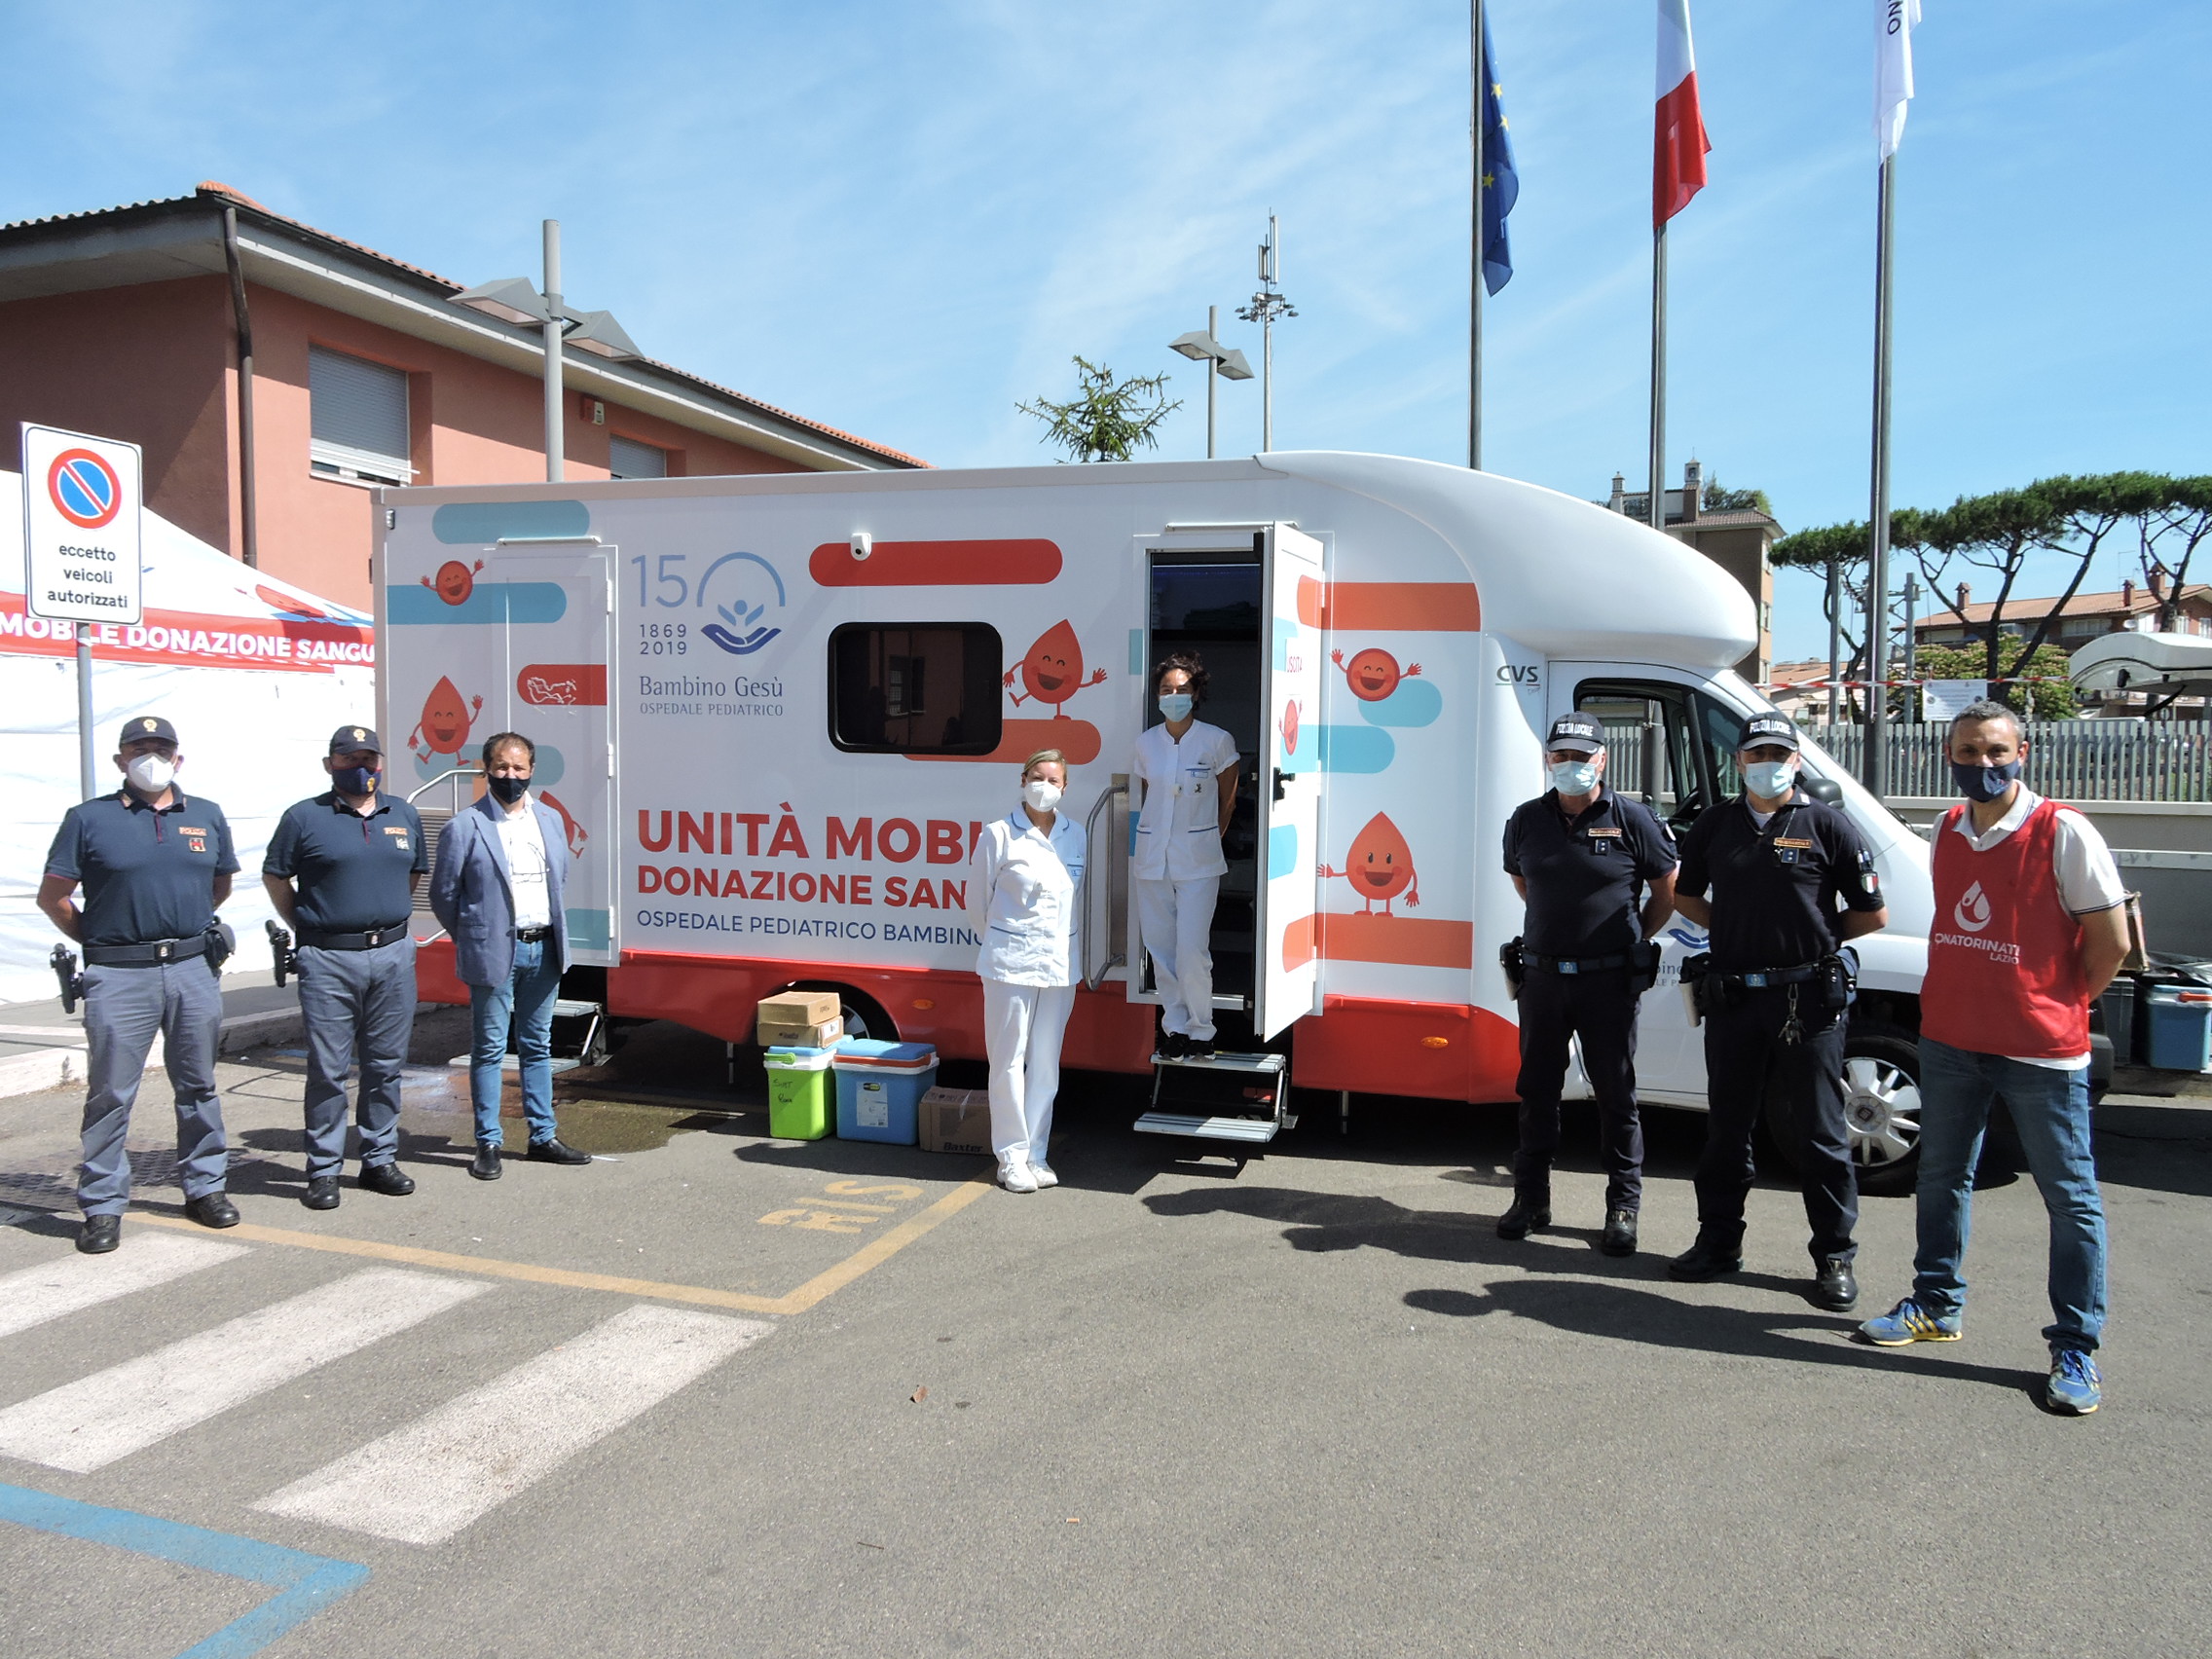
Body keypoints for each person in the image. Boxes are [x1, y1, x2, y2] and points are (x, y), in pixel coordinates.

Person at [1858, 700, 2130, 1415]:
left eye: (1996, 751)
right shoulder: (1948, 829)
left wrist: (2058, 1002)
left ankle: (2076, 1345)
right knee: (1943, 1178)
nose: (1983, 764)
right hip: (1950, 1042)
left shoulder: (2061, 830)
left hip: (2042, 1053)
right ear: (1949, 755)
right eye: (1970, 752)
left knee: (2070, 1200)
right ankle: (1934, 1305)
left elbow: (2112, 942)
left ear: (2023, 752)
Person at [1668, 712, 1887, 1309]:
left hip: (1807, 999)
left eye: (1780, 753)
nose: (1768, 762)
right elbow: (1686, 897)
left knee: (1818, 1133)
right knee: (1726, 1129)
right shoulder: (1714, 825)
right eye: (1756, 752)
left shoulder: (1828, 825)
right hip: (1735, 996)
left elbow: (1872, 913)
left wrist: (1815, 940)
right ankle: (1718, 1243)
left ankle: (1834, 1257)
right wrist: (1737, 933)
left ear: (1796, 761)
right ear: (1738, 761)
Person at [37, 716, 241, 1254]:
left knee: (197, 1086)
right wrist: (104, 940)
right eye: (139, 747)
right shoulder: (88, 818)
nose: (151, 755)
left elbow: (218, 885)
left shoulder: (206, 815)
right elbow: (53, 896)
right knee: (110, 1094)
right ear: (120, 759)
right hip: (118, 975)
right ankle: (103, 1205)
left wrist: (177, 930)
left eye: (162, 747)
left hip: (192, 970)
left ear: (179, 758)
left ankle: (204, 1187)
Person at [1498, 713, 1678, 1255]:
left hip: (1608, 984)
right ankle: (1531, 1199)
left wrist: (1626, 940)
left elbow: (1666, 890)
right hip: (1544, 980)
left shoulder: (1633, 818)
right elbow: (1523, 882)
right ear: (1548, 760)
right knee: (1536, 1093)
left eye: (1582, 756)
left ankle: (1623, 1207)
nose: (1571, 765)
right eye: (1561, 756)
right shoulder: (1527, 818)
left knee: (1616, 1095)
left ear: (1602, 758)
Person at [262, 725, 426, 1209]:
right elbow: (275, 876)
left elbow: (412, 872)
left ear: (381, 763)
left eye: (369, 758)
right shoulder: (303, 818)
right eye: (349, 758)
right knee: (329, 1070)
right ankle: (324, 1169)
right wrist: (311, 926)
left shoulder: (404, 814)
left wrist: (383, 919)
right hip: (329, 958)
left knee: (385, 1066)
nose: (361, 767)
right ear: (329, 764)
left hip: (393, 956)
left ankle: (379, 1159)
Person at [427, 731, 591, 1180]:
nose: (510, 776)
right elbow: (444, 895)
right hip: (495, 951)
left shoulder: (551, 820)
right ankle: (489, 1142)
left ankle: (543, 1136)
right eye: (501, 767)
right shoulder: (464, 826)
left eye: (519, 768)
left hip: (545, 948)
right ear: (486, 770)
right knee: (490, 1049)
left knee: (538, 1046)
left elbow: (559, 878)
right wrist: (474, 936)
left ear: (532, 770)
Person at [970, 749, 1087, 1193]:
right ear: (1022, 780)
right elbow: (978, 905)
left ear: (1064, 787)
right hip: (1008, 965)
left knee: (1045, 1065)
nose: (1045, 786)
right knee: (1007, 1062)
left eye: (1053, 780)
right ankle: (1012, 1157)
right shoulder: (998, 834)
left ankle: (1037, 1154)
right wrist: (1006, 940)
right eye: (1037, 777)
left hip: (1059, 966)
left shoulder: (1076, 835)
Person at [1131, 651, 1239, 1057]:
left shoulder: (1216, 740)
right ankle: (1175, 1027)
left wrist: (1207, 837)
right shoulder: (1146, 743)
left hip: (1198, 861)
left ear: (1195, 694)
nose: (1173, 695)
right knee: (1160, 949)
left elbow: (1227, 800)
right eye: (1166, 690)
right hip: (1152, 859)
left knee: (1192, 950)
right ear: (1157, 696)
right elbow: (1146, 797)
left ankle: (1202, 1029)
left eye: (1181, 690)